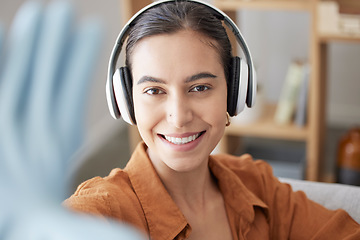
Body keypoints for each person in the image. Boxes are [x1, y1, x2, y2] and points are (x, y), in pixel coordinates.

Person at [64, 1, 360, 239]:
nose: (178, 117)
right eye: (154, 90)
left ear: (234, 92)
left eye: (200, 87)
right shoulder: (106, 211)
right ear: (126, 102)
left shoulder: (255, 182)